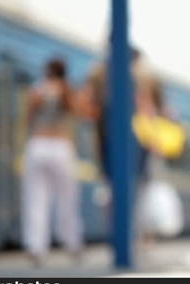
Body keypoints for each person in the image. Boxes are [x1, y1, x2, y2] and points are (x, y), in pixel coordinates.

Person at [79, 48, 167, 244]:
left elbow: (87, 104)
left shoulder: (97, 72)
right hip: (136, 139)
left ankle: (119, 233)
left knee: (114, 188)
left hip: (107, 137)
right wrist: (155, 138)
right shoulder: (141, 76)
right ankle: (136, 235)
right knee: (137, 188)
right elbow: (148, 108)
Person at [21, 59, 83, 266]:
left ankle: (36, 247)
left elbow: (27, 117)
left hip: (37, 144)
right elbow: (77, 112)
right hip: (60, 145)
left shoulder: (37, 89)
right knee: (67, 198)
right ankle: (72, 243)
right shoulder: (67, 90)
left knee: (36, 198)